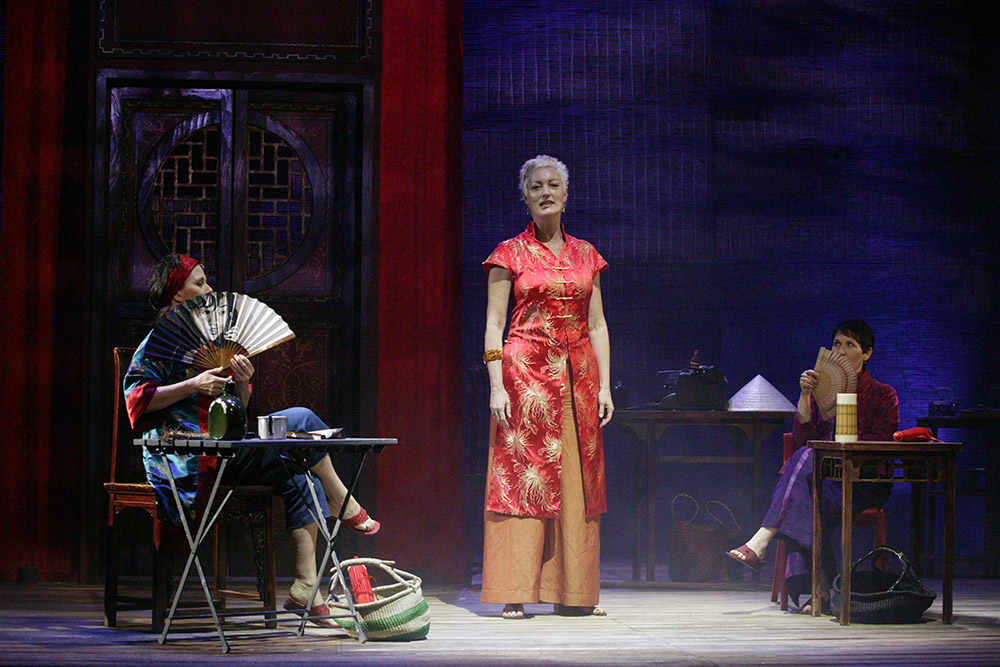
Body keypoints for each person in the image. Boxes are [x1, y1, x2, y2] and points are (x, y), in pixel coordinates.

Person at [124, 254, 379, 627]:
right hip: (184, 455)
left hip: (224, 444)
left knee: (299, 473)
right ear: (176, 296)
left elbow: (234, 412)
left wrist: (241, 384)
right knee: (302, 422)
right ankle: (341, 501)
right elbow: (136, 400)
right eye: (199, 283)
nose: (209, 289)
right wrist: (193, 384)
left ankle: (307, 586)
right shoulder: (157, 343)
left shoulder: (213, 341)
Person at [480, 155, 613, 619]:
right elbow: (495, 324)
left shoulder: (586, 254)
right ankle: (515, 590)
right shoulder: (508, 254)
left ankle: (573, 591)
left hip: (578, 379)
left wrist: (605, 387)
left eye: (553, 185)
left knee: (577, 483)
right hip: (524, 379)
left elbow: (597, 325)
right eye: (536, 186)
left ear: (566, 194)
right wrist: (497, 385)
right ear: (525, 196)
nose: (545, 193)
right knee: (523, 480)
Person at [726, 318, 899, 612]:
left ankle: (766, 541)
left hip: (863, 482)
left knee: (806, 468)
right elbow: (805, 437)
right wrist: (806, 395)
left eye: (850, 345)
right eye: (836, 344)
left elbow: (883, 442)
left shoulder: (883, 394)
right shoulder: (822, 389)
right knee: (807, 479)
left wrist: (843, 442)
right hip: (824, 480)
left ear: (867, 353)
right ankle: (822, 590)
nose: (840, 351)